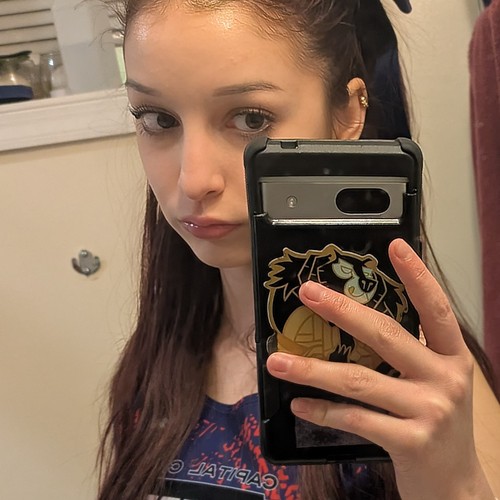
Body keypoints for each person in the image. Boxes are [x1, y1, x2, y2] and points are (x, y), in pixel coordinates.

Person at [98, 1, 500, 498]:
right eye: (159, 119)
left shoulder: (421, 387)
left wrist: (454, 485)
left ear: (348, 112)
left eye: (250, 118)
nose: (193, 179)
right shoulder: (159, 358)